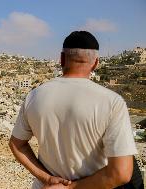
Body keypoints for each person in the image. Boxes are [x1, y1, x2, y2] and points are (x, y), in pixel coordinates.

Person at [9, 31, 138, 189]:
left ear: (61, 58)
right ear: (96, 63)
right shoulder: (112, 102)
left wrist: (48, 179)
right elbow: (120, 173)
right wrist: (71, 187)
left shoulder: (34, 96)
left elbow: (17, 145)